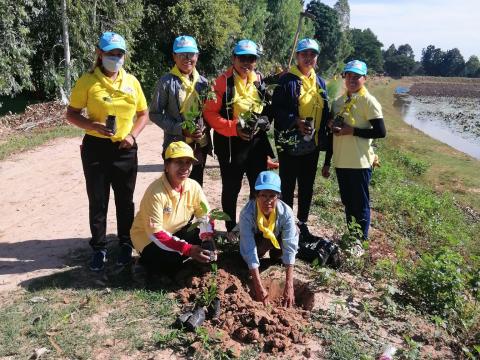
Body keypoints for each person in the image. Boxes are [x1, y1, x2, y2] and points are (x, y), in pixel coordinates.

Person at [66, 32, 149, 271]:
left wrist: (132, 136)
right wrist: (91, 126)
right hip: (96, 149)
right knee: (98, 199)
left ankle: (125, 243)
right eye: (111, 53)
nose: (115, 57)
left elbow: (144, 114)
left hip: (125, 149)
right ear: (99, 54)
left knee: (125, 200)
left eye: (119, 53)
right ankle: (99, 247)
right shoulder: (87, 81)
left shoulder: (131, 81)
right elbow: (71, 113)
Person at [203, 39, 274, 239]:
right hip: (230, 144)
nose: (246, 63)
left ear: (256, 61)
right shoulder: (221, 82)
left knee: (258, 186)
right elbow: (209, 113)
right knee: (232, 186)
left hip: (256, 144)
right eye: (242, 58)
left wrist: (263, 122)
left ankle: (256, 224)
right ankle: (231, 227)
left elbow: (267, 109)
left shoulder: (259, 80)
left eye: (251, 59)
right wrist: (234, 128)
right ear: (233, 58)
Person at [272, 38, 330, 243]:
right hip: (290, 144)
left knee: (307, 186)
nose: (308, 58)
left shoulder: (320, 82)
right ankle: (286, 226)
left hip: (311, 144)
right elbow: (275, 110)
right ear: (297, 56)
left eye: (312, 54)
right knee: (287, 185)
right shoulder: (286, 80)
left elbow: (326, 111)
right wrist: (295, 121)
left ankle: (302, 225)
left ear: (316, 58)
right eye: (304, 54)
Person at [130, 141, 215, 276]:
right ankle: (143, 262)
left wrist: (207, 239)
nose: (184, 167)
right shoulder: (155, 192)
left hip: (176, 231)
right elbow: (156, 233)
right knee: (170, 263)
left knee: (205, 243)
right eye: (179, 162)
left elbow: (205, 215)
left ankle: (178, 256)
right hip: (148, 238)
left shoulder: (193, 186)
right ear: (166, 166)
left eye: (188, 162)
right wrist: (188, 249)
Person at [325, 60, 386, 240]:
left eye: (357, 76)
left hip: (360, 162)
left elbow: (380, 132)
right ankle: (352, 236)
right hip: (342, 161)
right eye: (349, 75)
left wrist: (352, 131)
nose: (352, 79)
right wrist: (327, 161)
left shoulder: (369, 101)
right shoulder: (338, 102)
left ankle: (361, 241)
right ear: (344, 77)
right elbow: (331, 135)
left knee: (360, 204)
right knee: (348, 203)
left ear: (364, 78)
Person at [150, 35, 211, 186]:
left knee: (195, 188)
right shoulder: (166, 82)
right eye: (182, 54)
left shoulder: (204, 83)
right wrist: (181, 129)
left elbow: (209, 113)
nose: (187, 58)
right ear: (174, 56)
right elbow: (154, 114)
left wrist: (203, 128)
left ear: (197, 56)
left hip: (198, 146)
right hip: (175, 144)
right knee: (174, 188)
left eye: (191, 54)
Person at [239, 171, 299, 307]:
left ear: (278, 196)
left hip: (277, 237)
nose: (268, 201)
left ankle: (276, 256)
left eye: (272, 196)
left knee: (294, 232)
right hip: (258, 240)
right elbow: (249, 247)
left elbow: (290, 246)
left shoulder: (286, 212)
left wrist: (289, 285)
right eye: (263, 196)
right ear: (256, 196)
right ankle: (262, 258)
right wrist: (258, 286)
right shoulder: (247, 214)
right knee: (249, 257)